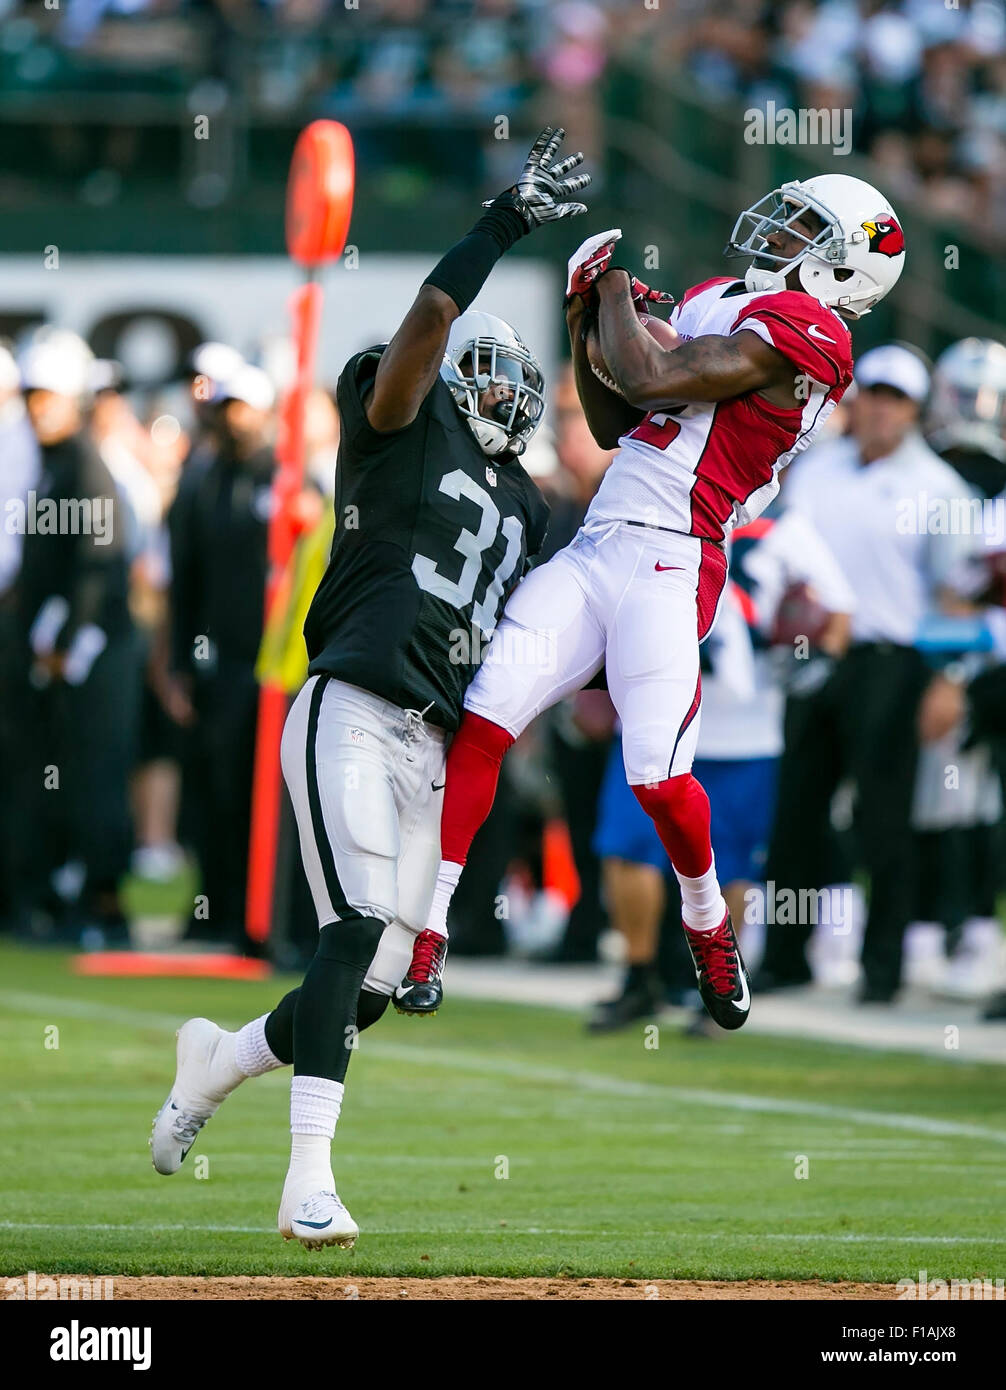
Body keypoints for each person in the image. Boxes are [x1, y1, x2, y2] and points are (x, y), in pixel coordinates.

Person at [149, 127, 589, 1248]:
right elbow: (432, 325)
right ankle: (307, 1181)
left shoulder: (532, 506)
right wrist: (508, 218)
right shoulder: (400, 423)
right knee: (348, 928)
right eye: (484, 371)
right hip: (346, 702)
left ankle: (222, 1059)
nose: (496, 386)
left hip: (430, 745)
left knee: (379, 980)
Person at [403, 173, 906, 1030]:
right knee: (485, 715)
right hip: (600, 543)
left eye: (805, 230)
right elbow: (611, 420)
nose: (780, 233)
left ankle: (708, 923)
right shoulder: (725, 298)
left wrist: (609, 298)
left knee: (657, 778)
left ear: (841, 269)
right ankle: (427, 931)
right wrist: (580, 317)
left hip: (675, 561)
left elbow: (644, 373)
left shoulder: (812, 329)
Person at [758, 344, 977, 1003]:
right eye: (873, 393)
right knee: (795, 810)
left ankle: (882, 967)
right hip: (812, 656)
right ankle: (787, 955)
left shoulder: (940, 489)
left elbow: (957, 597)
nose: (881, 407)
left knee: (884, 818)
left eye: (896, 397)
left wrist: (951, 679)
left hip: (892, 659)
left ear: (914, 410)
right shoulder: (815, 471)